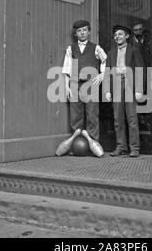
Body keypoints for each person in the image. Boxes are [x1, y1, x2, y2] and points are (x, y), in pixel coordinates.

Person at [62, 19, 107, 148]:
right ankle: (77, 146)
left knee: (92, 115)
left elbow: (106, 61)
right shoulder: (71, 49)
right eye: (79, 31)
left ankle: (94, 146)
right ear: (75, 33)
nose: (82, 33)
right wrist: (66, 86)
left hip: (91, 85)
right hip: (75, 85)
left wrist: (101, 75)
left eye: (84, 30)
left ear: (89, 32)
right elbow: (67, 69)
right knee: (75, 117)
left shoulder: (96, 48)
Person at [104, 25, 144, 158]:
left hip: (130, 85)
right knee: (118, 119)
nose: (117, 37)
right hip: (116, 85)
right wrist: (107, 90)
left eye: (120, 34)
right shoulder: (111, 52)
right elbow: (108, 72)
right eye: (115, 35)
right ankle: (121, 146)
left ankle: (134, 148)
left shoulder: (134, 50)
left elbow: (139, 69)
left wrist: (138, 89)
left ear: (127, 36)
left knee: (132, 118)